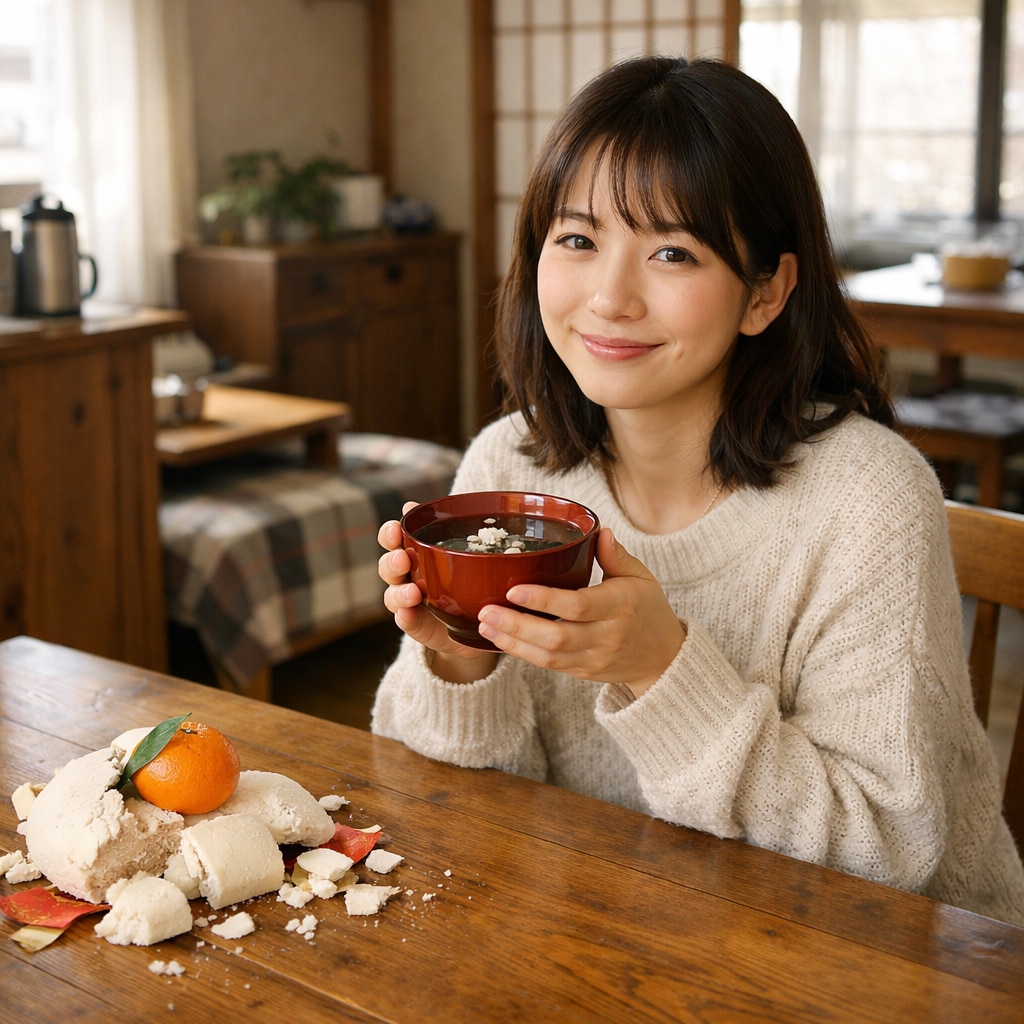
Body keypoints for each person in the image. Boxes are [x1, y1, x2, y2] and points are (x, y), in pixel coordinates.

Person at [372, 55, 1024, 925]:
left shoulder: (869, 501)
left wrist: (658, 668)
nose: (609, 297)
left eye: (672, 252)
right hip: (606, 938)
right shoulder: (509, 471)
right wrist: (459, 652)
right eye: (577, 239)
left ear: (766, 292)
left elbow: (888, 857)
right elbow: (453, 819)